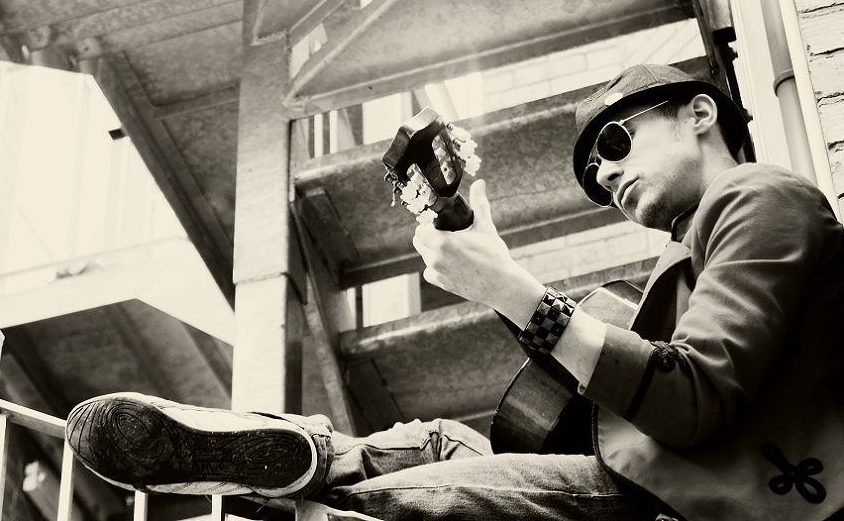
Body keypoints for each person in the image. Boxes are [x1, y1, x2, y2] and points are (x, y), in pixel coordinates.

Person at [65, 64, 844, 521]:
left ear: (700, 112)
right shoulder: (688, 259)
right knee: (436, 441)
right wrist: (491, 264)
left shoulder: (761, 196)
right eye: (595, 177)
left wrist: (513, 288)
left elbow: (691, 397)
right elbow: (613, 386)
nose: (605, 174)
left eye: (614, 142)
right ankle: (306, 461)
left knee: (424, 499)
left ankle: (302, 480)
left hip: (687, 502)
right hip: (655, 478)